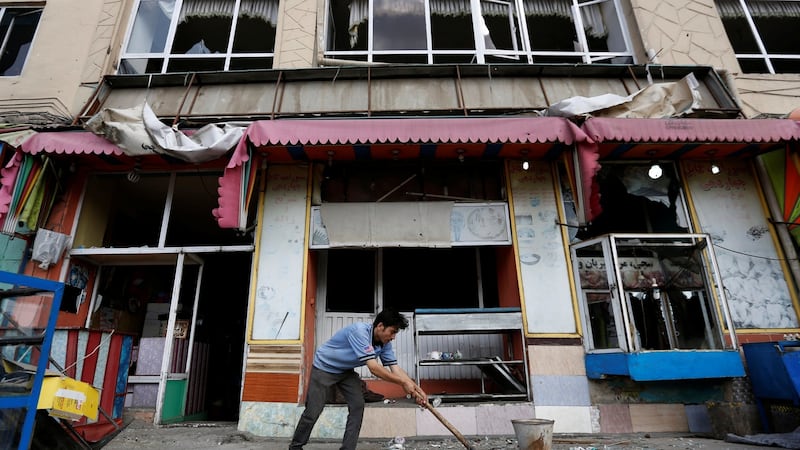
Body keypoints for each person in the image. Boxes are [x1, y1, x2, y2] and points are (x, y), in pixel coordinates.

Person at [289, 309, 428, 450]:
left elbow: (395, 369)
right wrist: (403, 383)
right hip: (324, 367)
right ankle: (296, 446)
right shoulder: (359, 332)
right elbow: (374, 368)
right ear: (380, 326)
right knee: (313, 411)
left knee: (357, 405)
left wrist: (417, 389)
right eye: (392, 332)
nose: (393, 337)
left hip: (345, 371)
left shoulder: (384, 343)